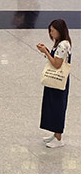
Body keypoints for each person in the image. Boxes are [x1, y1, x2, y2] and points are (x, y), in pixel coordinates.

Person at [38, 19, 72, 148]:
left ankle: (59, 138)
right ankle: (55, 133)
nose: (51, 34)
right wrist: (47, 49)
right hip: (57, 81)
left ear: (60, 30)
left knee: (57, 107)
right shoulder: (62, 43)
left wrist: (45, 52)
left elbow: (57, 65)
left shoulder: (63, 45)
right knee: (52, 106)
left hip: (58, 81)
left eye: (53, 31)